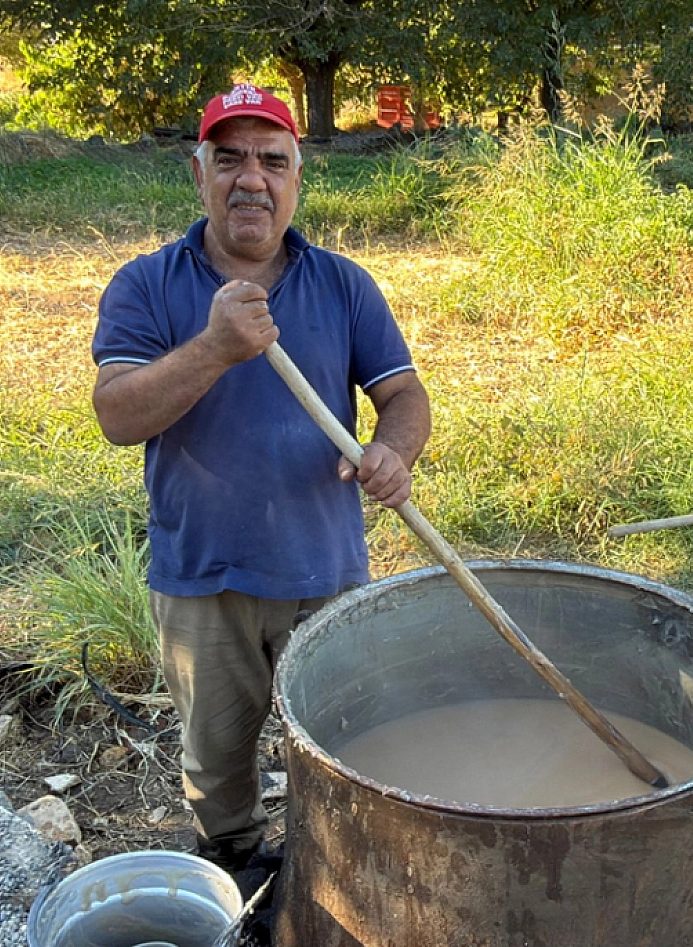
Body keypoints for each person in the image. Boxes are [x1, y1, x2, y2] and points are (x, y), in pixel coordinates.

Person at [89, 84, 431, 878]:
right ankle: (237, 869)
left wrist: (393, 450)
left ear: (297, 179)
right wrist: (214, 346)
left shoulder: (343, 284)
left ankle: (334, 877)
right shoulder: (146, 284)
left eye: (273, 161)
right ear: (198, 173)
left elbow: (404, 395)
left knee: (344, 744)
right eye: (230, 159)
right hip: (202, 577)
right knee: (216, 760)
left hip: (326, 572)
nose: (252, 179)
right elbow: (117, 414)